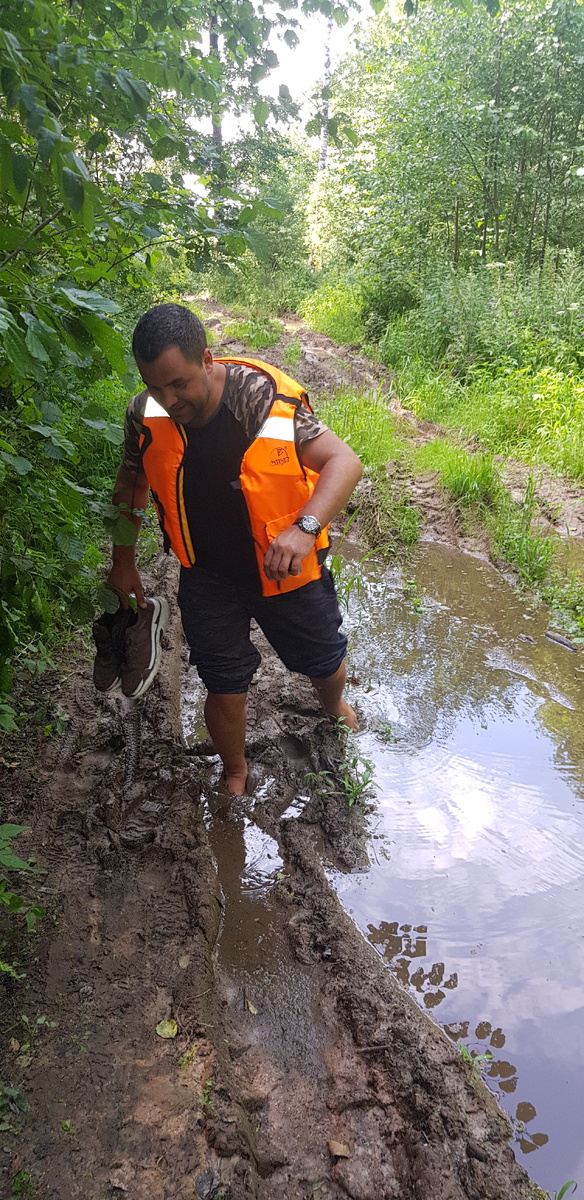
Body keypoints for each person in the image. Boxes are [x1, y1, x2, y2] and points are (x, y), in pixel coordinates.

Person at [106, 303, 363, 795]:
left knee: (322, 656)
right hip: (208, 573)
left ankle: (334, 707)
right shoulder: (144, 414)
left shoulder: (257, 399)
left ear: (206, 359)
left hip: (282, 564)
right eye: (155, 386)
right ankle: (236, 771)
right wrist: (123, 562)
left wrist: (305, 527)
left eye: (178, 383)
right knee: (223, 679)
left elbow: (344, 462)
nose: (168, 398)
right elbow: (131, 483)